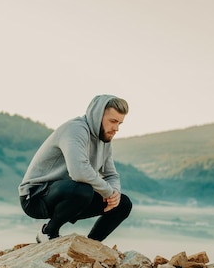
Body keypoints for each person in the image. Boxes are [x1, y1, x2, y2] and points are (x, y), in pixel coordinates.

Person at [18, 94, 132, 243]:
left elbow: (111, 174)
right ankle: (47, 232)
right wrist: (108, 191)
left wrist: (114, 194)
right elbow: (79, 171)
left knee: (123, 204)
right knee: (83, 190)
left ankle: (91, 244)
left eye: (120, 123)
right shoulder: (75, 129)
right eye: (113, 121)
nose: (116, 128)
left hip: (70, 195)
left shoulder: (104, 140)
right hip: (36, 197)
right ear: (98, 116)